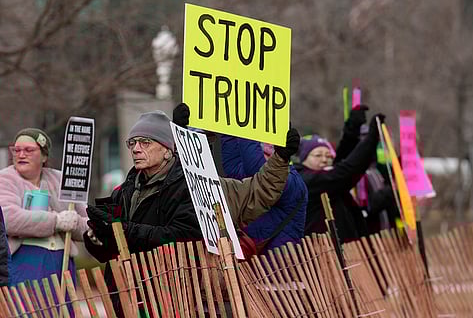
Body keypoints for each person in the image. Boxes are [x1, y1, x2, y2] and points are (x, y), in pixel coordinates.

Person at [84, 108, 298, 316]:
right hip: (128, 301)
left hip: (179, 301)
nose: (136, 148)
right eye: (132, 142)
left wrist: (280, 158)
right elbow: (108, 253)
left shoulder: (201, 186)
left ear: (168, 149)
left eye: (145, 142)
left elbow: (257, 193)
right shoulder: (124, 191)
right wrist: (95, 237)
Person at [0, 128, 88, 286]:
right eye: (16, 150)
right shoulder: (5, 179)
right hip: (25, 263)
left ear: (44, 155)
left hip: (62, 263)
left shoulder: (60, 179)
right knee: (27, 309)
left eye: (29, 150)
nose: (21, 155)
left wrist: (84, 226)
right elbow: (8, 218)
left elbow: (84, 221)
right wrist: (56, 221)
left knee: (62, 310)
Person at [294, 110, 385, 243]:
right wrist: (371, 139)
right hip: (323, 253)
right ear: (303, 159)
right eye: (318, 155)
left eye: (328, 156)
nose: (325, 160)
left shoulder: (326, 178)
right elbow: (345, 172)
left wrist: (352, 130)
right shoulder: (305, 180)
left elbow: (341, 162)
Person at [221, 135, 307, 254]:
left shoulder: (292, 180)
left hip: (277, 265)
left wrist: (247, 129)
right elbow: (233, 168)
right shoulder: (252, 176)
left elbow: (258, 171)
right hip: (253, 264)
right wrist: (230, 131)